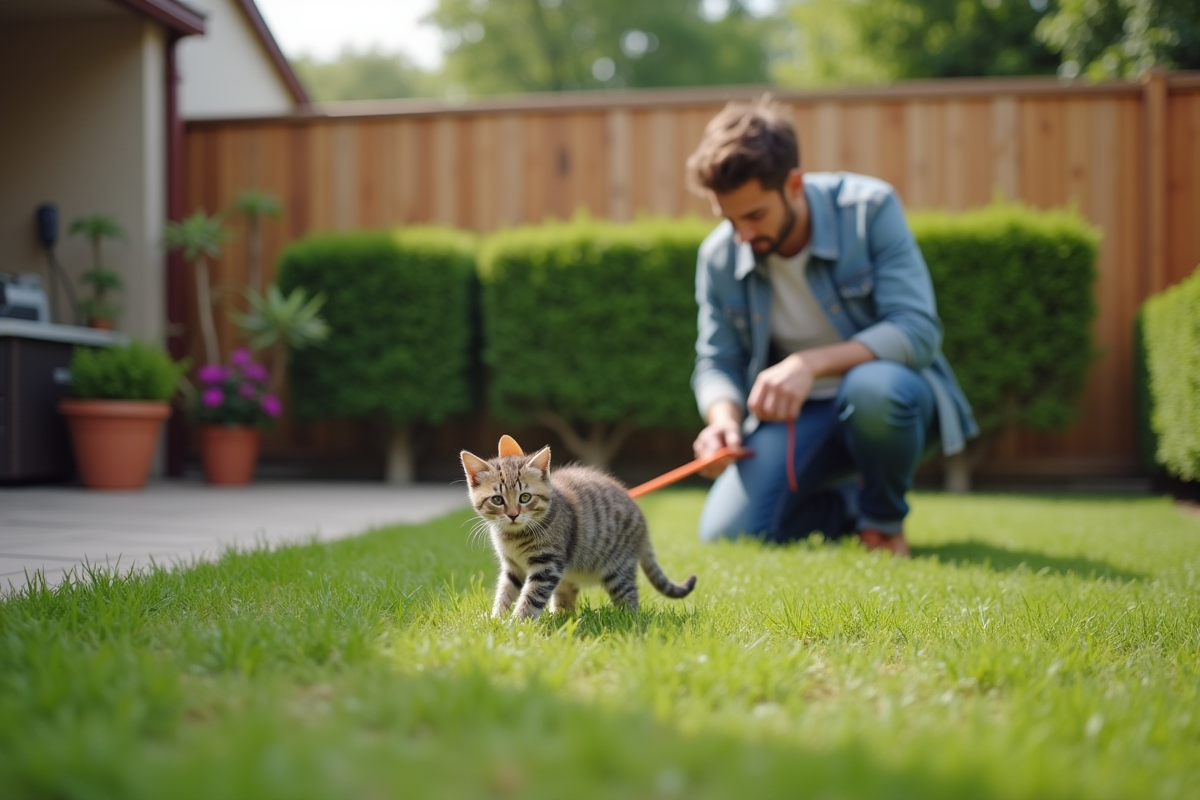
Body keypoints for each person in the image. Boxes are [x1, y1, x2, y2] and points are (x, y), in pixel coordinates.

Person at [685, 95, 978, 556]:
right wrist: (723, 420)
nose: (742, 235)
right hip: (798, 420)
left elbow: (917, 329)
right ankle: (847, 505)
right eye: (729, 219)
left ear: (795, 184)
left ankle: (882, 522)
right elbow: (716, 361)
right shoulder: (719, 255)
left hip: (890, 402)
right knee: (727, 534)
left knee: (872, 390)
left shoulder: (869, 209)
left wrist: (808, 364)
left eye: (755, 215)